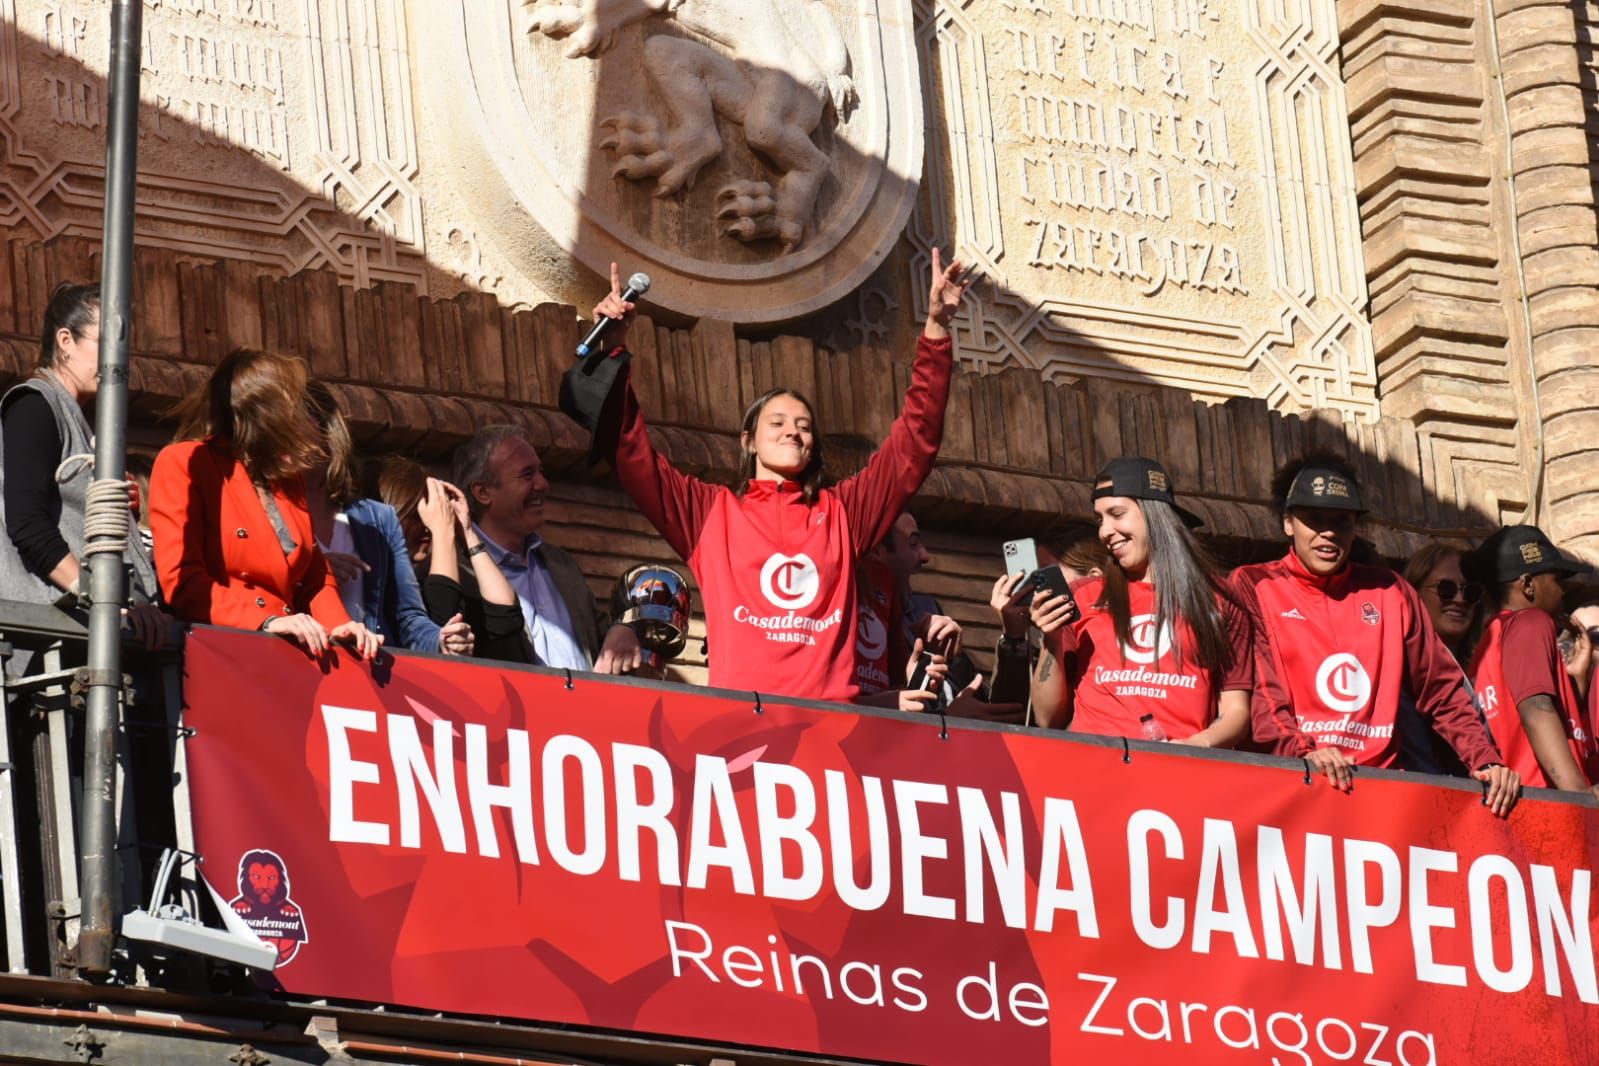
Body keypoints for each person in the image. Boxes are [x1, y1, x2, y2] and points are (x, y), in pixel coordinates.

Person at [592, 251, 969, 703]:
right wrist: (611, 348)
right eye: (778, 423)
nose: (793, 429)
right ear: (748, 440)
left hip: (835, 736)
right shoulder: (710, 512)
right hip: (744, 734)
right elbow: (631, 454)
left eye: (804, 425)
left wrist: (936, 331)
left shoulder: (843, 514)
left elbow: (915, 446)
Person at [1231, 454, 1517, 814]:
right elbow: (1261, 690)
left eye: (1342, 522)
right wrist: (1302, 756)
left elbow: (1441, 688)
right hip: (1296, 789)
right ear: (1288, 522)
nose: (1329, 532)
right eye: (1314, 520)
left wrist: (1485, 760)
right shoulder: (1253, 583)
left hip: (1381, 797)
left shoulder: (1390, 591)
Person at [150, 348, 381, 660]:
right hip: (221, 653)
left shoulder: (286, 478)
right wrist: (265, 621)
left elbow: (315, 575)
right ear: (267, 414)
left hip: (287, 657)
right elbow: (182, 580)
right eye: (297, 407)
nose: (306, 417)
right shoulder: (185, 462)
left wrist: (341, 627)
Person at [1026, 457, 1253, 748]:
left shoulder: (1220, 600)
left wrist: (1197, 745)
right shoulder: (1084, 596)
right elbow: (1047, 719)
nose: (1104, 531)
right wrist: (1051, 637)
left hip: (1177, 774)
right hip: (1093, 770)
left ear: (1154, 514)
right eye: (1100, 519)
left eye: (1117, 514)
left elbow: (1236, 712)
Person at [0, 282, 168, 650]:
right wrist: (104, 599)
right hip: (50, 639)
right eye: (106, 343)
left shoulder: (78, 420)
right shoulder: (34, 406)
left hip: (89, 634)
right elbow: (27, 524)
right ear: (65, 341)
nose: (118, 358)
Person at [452, 425, 642, 673]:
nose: (543, 484)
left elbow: (598, 637)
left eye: (540, 472)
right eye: (527, 475)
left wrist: (624, 628)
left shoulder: (562, 565)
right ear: (483, 492)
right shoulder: (457, 573)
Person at [301, 383, 470, 655]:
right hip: (297, 674)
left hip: (370, 679)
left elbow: (408, 618)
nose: (277, 437)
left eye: (292, 423)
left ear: (325, 431)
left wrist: (442, 640)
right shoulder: (266, 510)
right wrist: (314, 573)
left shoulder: (377, 518)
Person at [1467, 526, 1597, 797]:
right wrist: (1579, 798)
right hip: (1549, 804)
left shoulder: (1488, 643)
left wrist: (1577, 682)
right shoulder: (1531, 621)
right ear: (1527, 585)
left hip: (1521, 806)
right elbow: (1535, 708)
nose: (1563, 591)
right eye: (1557, 580)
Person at [378, 456, 535, 664]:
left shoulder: (432, 579)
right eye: (418, 516)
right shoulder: (377, 583)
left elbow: (506, 617)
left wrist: (467, 533)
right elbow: (442, 637)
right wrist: (443, 534)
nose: (428, 526)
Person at [989, 529, 1108, 709]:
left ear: (1093, 579)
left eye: (1047, 576)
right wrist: (1015, 638)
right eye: (1036, 577)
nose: (1036, 588)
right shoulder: (1045, 642)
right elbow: (1010, 712)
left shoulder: (1110, 642)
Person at [1397, 540, 1486, 774]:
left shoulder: (1484, 666)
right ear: (1413, 593)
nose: (1459, 600)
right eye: (1445, 589)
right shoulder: (1397, 668)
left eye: (1470, 592)